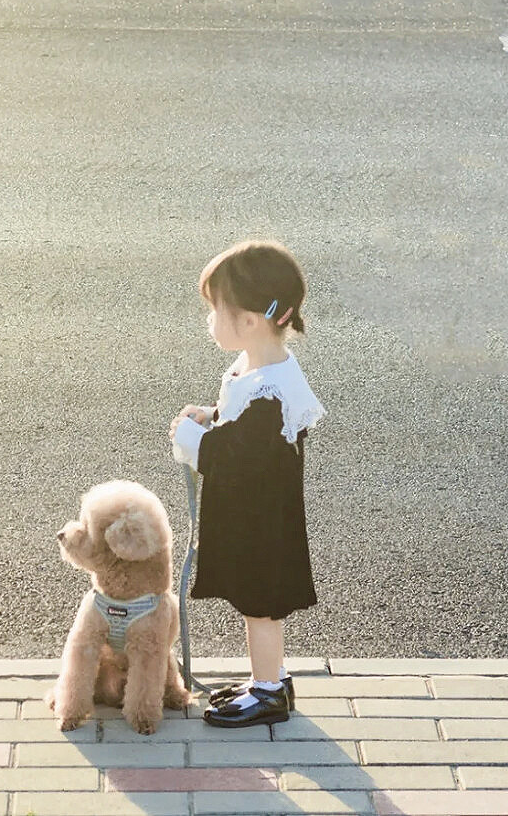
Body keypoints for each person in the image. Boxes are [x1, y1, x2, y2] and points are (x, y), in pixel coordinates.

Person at [169, 237, 325, 729]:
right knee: (260, 609)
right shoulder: (264, 370)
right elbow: (244, 430)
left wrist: (193, 437)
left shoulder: (270, 391)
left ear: (252, 320)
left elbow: (235, 457)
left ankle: (268, 691)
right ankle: (269, 677)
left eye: (216, 310)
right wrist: (213, 415)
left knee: (261, 609)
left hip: (264, 527)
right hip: (262, 517)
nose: (209, 320)